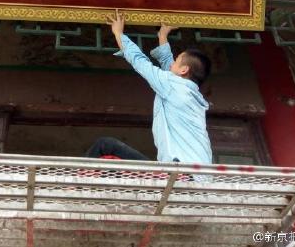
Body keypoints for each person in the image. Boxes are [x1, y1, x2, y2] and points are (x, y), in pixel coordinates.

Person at [86, 10, 212, 166]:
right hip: (195, 174)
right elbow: (169, 67)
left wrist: (118, 33)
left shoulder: (173, 86)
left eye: (177, 61)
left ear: (184, 70)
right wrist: (162, 36)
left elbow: (140, 62)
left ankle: (75, 181)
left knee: (105, 146)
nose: (172, 63)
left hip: (179, 173)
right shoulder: (187, 93)